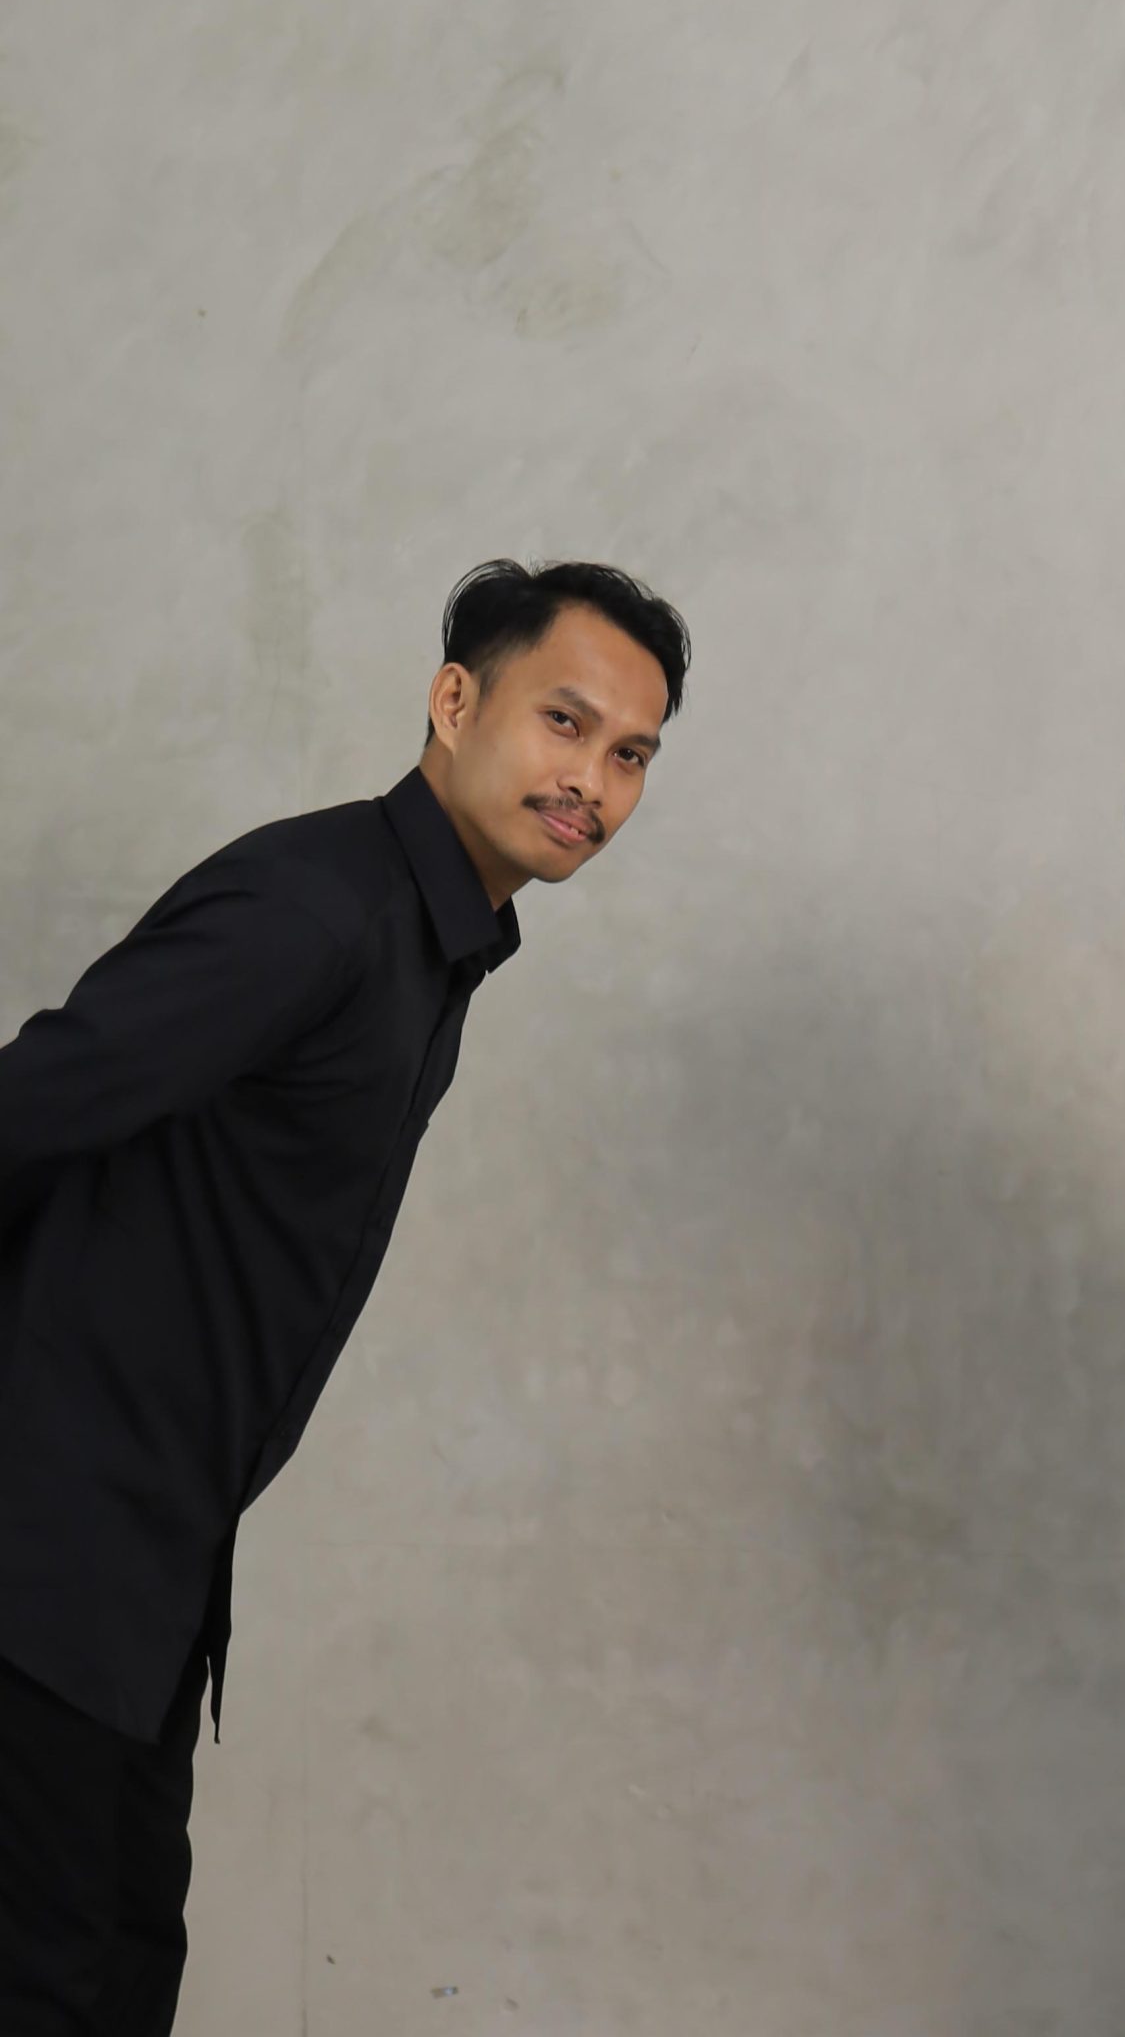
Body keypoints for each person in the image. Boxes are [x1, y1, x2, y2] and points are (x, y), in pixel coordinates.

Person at [0, 556, 689, 2036]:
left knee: (117, 1968)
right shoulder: (313, 908)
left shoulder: (429, 943)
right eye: (565, 723)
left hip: (141, 1575)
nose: (594, 781)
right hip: (45, 1554)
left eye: (632, 755)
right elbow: (28, 1108)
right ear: (454, 702)